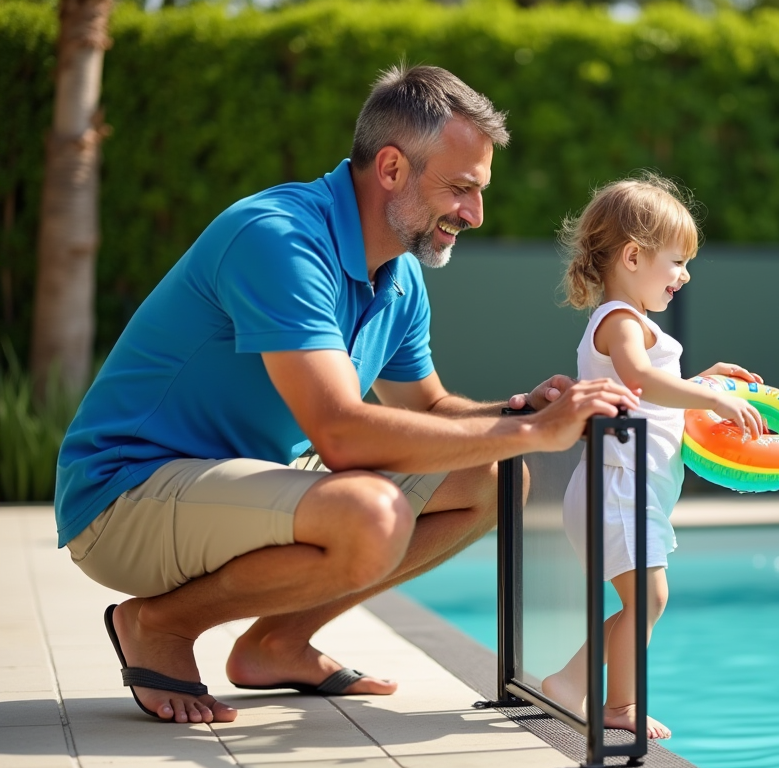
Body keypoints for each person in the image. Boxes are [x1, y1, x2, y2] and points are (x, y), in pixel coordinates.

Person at [53, 64, 639, 724]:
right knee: (372, 513)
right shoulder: (279, 239)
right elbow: (340, 431)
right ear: (391, 168)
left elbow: (430, 411)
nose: (474, 214)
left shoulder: (398, 275)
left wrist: (520, 414)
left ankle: (278, 640)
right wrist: (533, 432)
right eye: (461, 189)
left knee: (493, 476)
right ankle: (158, 626)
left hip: (244, 481)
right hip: (124, 496)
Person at [540, 175, 765, 739]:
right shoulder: (619, 321)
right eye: (677, 261)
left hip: (635, 490)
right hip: (618, 487)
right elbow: (638, 380)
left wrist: (703, 378)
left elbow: (655, 388)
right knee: (649, 596)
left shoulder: (635, 325)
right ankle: (597, 695)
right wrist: (708, 396)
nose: (685, 275)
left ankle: (591, 691)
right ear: (634, 256)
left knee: (644, 598)